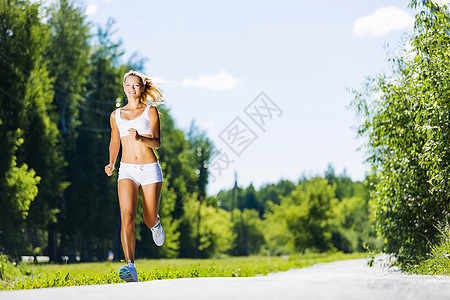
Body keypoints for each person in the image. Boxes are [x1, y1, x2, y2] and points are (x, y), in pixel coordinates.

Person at [105, 70, 165, 282]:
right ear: (124, 88)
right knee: (127, 215)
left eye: (136, 85)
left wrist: (140, 137)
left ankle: (155, 223)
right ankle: (130, 266)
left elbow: (157, 142)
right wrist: (111, 162)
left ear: (142, 88)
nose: (132, 89)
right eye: (128, 85)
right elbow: (115, 141)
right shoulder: (116, 115)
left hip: (150, 169)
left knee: (148, 219)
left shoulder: (150, 111)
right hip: (127, 169)